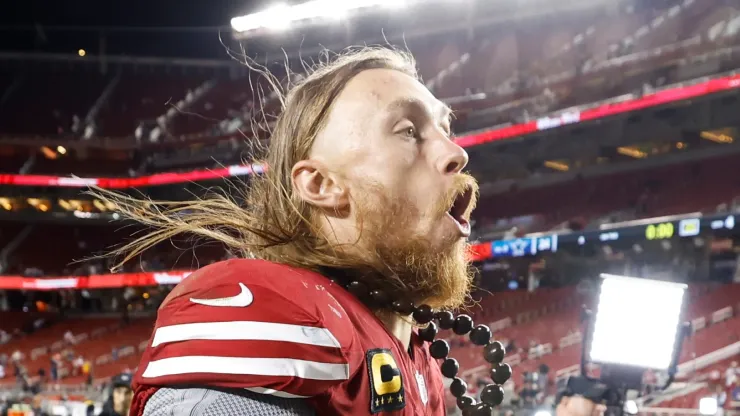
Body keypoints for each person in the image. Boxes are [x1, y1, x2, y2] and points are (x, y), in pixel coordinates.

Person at [102, 47, 497, 415]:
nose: (456, 152)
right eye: (408, 130)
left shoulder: (412, 349)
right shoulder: (273, 322)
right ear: (321, 185)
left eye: (447, 129)